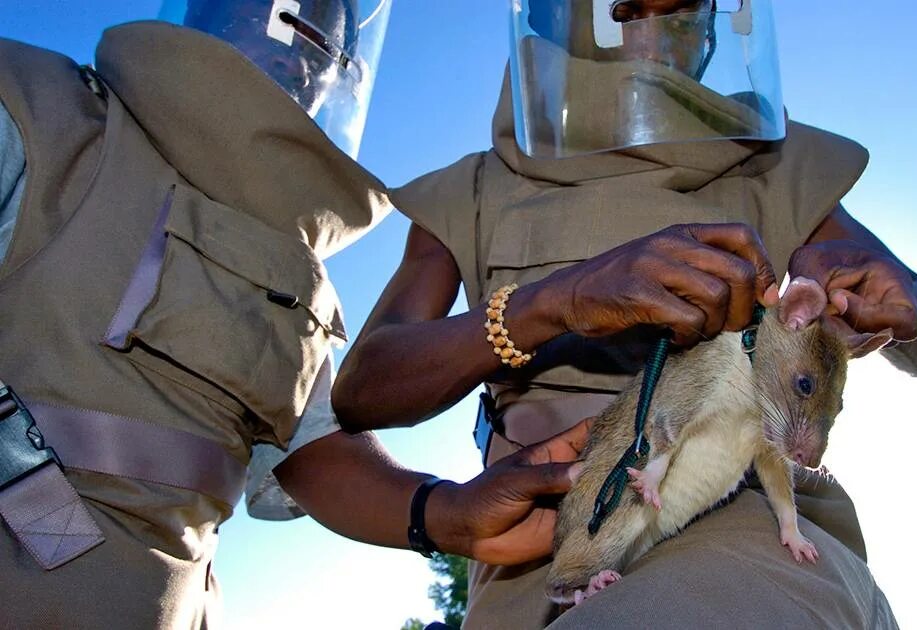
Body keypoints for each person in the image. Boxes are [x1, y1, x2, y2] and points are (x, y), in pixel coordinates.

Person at [333, 0, 917, 628]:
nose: (664, 34)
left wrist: (912, 306)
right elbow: (362, 391)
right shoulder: (476, 187)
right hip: (534, 537)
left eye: (687, 15)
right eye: (630, 10)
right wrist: (558, 301)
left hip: (735, 509)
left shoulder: (770, 158)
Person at [0, 1, 595, 626]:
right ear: (205, 16)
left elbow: (311, 454)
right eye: (280, 18)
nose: (301, 58)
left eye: (323, 50)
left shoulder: (299, 281)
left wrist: (451, 515)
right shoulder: (41, 112)